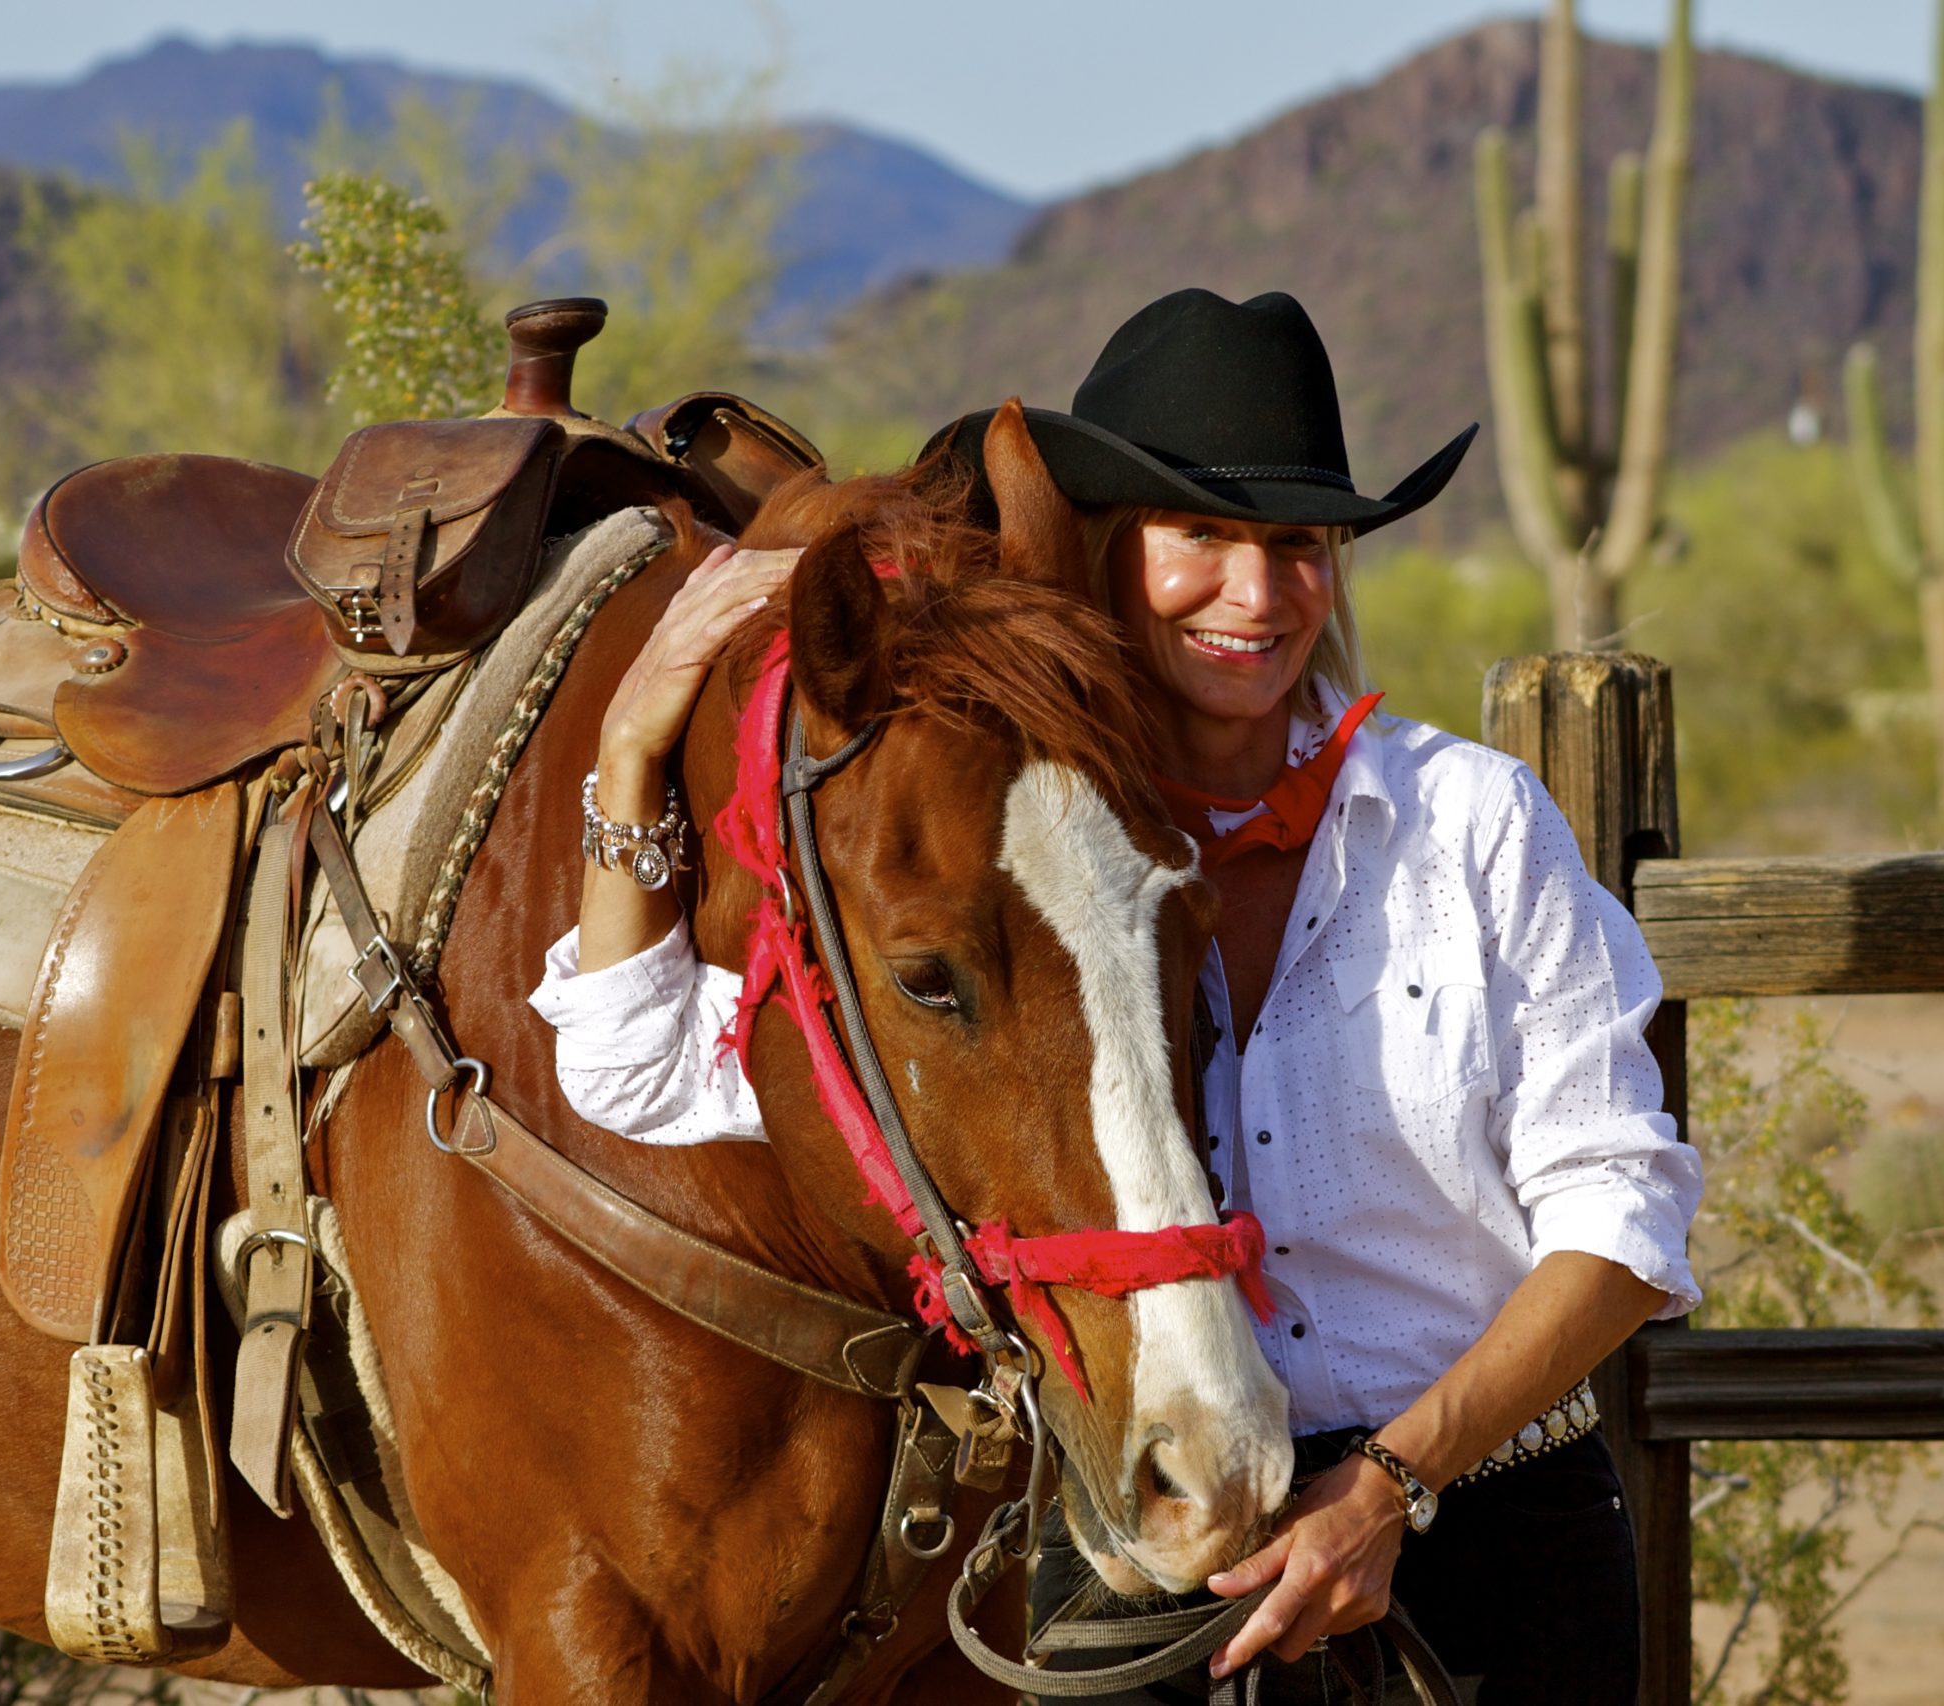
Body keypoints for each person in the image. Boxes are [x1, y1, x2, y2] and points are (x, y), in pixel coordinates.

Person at [527, 289, 1702, 1704]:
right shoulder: (1031, 865)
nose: (1257, 594)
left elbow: (1622, 1217)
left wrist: (1392, 1483)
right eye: (1200, 536)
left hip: (1485, 1531)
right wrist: (631, 745)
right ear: (1107, 551)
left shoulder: (1473, 823)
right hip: (1141, 1531)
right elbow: (637, 1072)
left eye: (1299, 546)